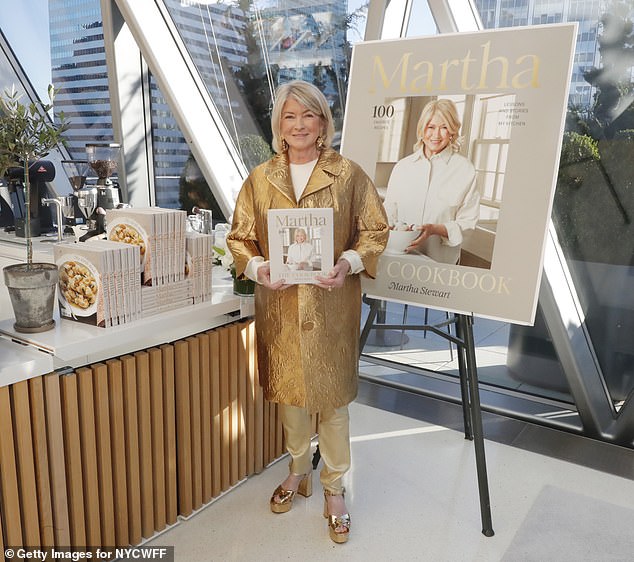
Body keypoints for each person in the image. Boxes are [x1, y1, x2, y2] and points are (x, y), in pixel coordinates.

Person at [227, 80, 388, 544]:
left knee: (332, 402)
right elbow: (240, 238)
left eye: (309, 116)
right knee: (291, 397)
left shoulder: (349, 175)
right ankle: (298, 470)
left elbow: (375, 231)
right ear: (279, 124)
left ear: (323, 123)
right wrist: (259, 269)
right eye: (290, 116)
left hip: (331, 304)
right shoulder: (260, 178)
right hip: (279, 304)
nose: (299, 125)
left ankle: (334, 487)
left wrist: (347, 263)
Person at [383, 98, 480, 264]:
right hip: (398, 261)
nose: (436, 135)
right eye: (431, 127)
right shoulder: (402, 167)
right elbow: (388, 213)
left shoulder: (465, 170)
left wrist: (435, 229)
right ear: (422, 130)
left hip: (440, 265)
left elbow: (468, 224)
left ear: (452, 131)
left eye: (444, 128)